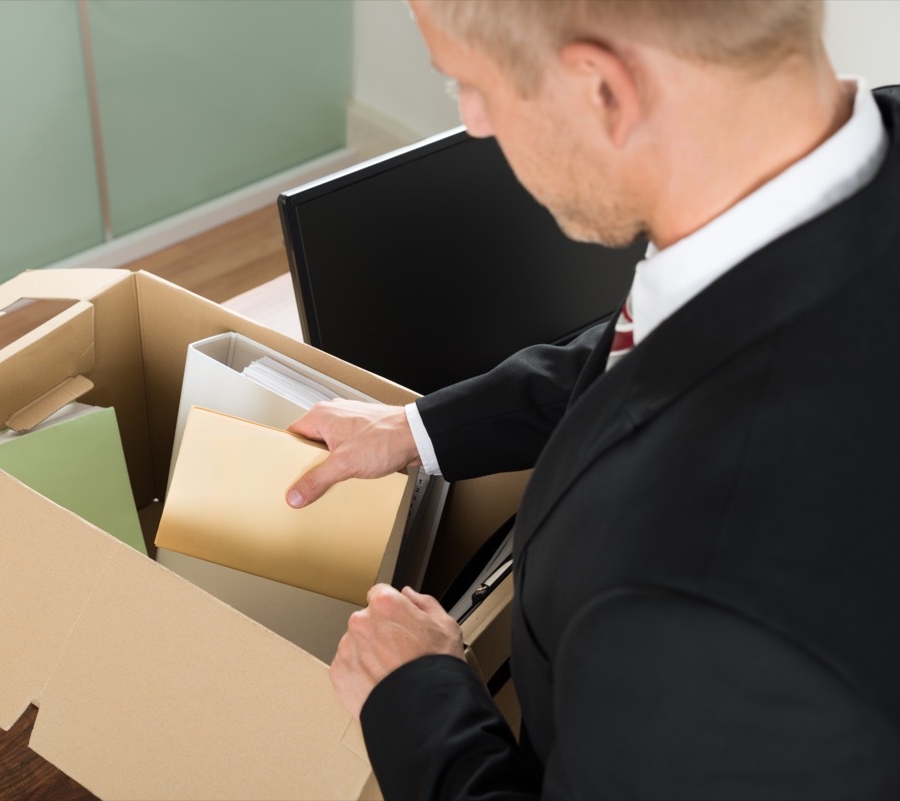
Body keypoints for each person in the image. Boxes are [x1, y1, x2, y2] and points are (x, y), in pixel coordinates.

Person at [284, 0, 900, 797]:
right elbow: (671, 335)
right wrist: (418, 428)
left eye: (471, 85)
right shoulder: (811, 189)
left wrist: (418, 691)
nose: (474, 123)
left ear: (602, 90)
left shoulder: (696, 605)